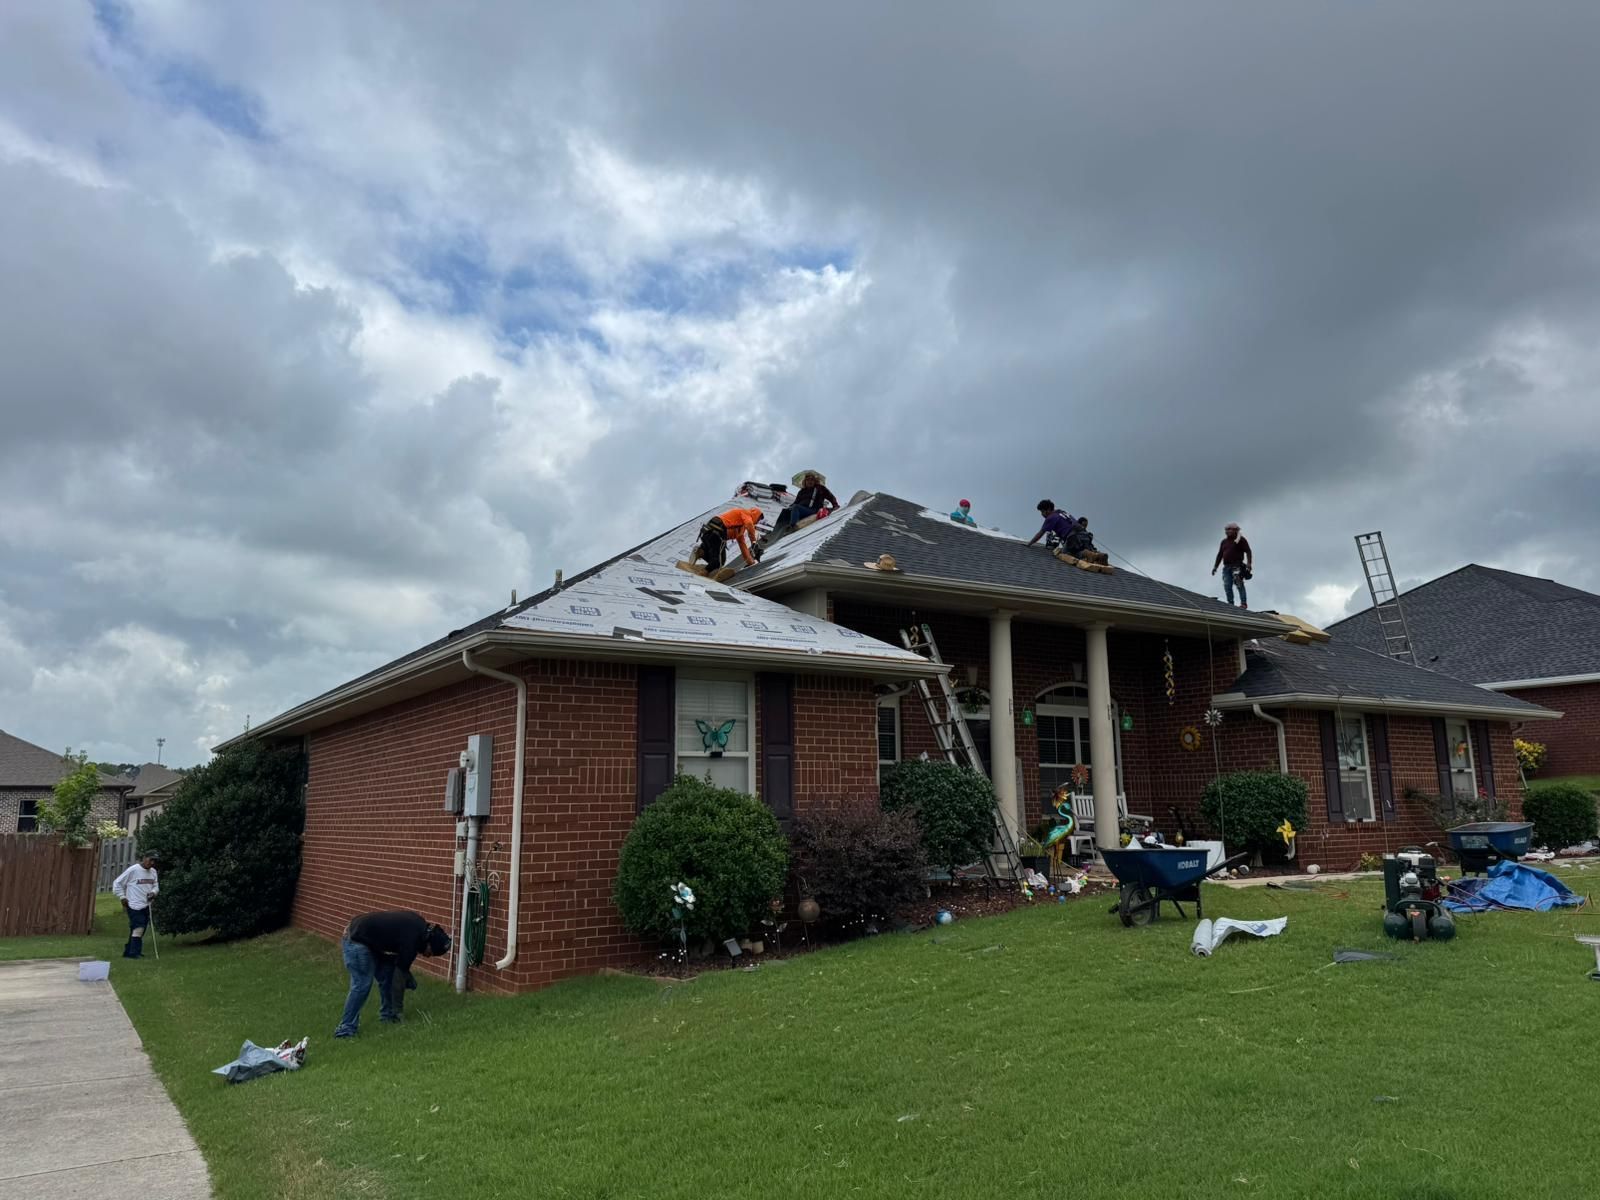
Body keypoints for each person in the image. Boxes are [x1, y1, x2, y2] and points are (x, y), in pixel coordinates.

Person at [335, 910, 451, 1038]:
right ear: (429, 943)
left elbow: (398, 968)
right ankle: (345, 1029)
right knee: (362, 984)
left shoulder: (418, 925)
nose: (427, 956)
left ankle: (388, 1016)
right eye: (430, 953)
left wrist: (407, 977)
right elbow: (399, 978)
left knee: (387, 974)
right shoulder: (411, 942)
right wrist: (399, 1010)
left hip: (367, 938)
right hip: (356, 941)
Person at [112, 851, 160, 959]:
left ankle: (128, 952)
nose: (152, 863)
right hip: (133, 904)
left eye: (154, 861)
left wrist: (153, 893)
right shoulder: (133, 870)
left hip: (146, 904)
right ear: (144, 858)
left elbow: (156, 886)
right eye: (150, 859)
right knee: (139, 927)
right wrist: (122, 897)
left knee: (138, 929)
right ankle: (134, 953)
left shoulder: (153, 872)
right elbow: (117, 883)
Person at [697, 506, 765, 570]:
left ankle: (701, 551)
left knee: (716, 560)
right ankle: (704, 572)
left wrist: (751, 563)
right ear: (755, 514)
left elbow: (743, 546)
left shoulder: (741, 528)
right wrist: (754, 542)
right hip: (717, 531)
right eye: (758, 519)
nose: (758, 522)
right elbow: (749, 524)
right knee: (719, 562)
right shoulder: (746, 513)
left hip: (709, 531)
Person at [772, 472, 838, 535]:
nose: (810, 481)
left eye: (812, 480)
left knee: (796, 507)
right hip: (802, 510)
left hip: (814, 510)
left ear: (815, 481)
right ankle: (775, 532)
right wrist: (789, 507)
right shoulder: (801, 491)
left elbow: (831, 497)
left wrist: (835, 505)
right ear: (805, 482)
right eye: (808, 480)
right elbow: (796, 502)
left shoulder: (820, 488)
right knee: (785, 511)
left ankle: (792, 527)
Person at [1211, 522, 1254, 608]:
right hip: (1226, 567)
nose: (1227, 531)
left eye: (1230, 529)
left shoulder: (1241, 540)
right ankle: (1231, 604)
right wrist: (1215, 567)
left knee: (1238, 583)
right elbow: (1220, 555)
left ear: (1235, 530)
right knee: (1227, 585)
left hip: (1236, 565)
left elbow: (1248, 551)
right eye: (1226, 530)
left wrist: (1249, 563)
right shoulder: (1224, 542)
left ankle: (1243, 603)